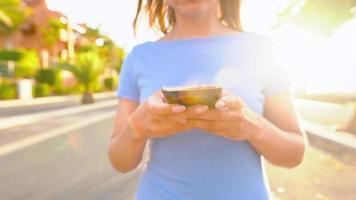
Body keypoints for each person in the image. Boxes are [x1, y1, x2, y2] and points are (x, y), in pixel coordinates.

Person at [108, 0, 307, 199]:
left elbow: (294, 154)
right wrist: (138, 125)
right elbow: (120, 162)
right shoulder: (139, 58)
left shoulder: (260, 50)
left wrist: (250, 125)